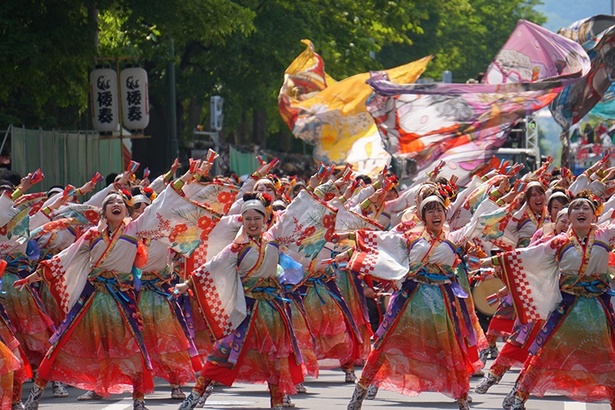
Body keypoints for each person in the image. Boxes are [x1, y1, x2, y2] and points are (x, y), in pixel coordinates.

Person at [19, 164, 214, 410]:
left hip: (122, 298)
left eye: (121, 202)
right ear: (103, 211)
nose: (116, 204)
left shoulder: (135, 229)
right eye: (111, 201)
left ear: (126, 210)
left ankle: (139, 400)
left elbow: (163, 200)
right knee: (61, 343)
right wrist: (34, 277)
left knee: (134, 346)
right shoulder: (91, 235)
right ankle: (35, 396)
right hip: (92, 298)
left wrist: (186, 176)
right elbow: (65, 257)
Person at [176, 189, 334, 410]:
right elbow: (213, 266)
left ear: (265, 219)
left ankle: (277, 402)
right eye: (248, 218)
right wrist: (188, 283)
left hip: (271, 309)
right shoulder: (237, 247)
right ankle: (196, 394)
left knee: (274, 357)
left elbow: (294, 212)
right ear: (242, 220)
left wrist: (316, 193)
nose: (252, 222)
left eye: (257, 218)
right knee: (223, 352)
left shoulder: (274, 239)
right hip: (246, 308)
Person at [342, 189, 487, 410]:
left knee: (452, 349)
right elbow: (379, 244)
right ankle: (360, 391)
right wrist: (349, 245)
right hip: (411, 301)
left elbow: (478, 222)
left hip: (442, 304)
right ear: (422, 215)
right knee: (385, 344)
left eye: (439, 209)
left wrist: (496, 196)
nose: (435, 214)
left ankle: (462, 399)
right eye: (430, 210)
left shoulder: (453, 238)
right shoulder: (410, 239)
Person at [480, 191, 615, 410]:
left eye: (586, 208)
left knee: (609, 356)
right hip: (568, 306)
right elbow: (530, 256)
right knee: (544, 353)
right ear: (568, 217)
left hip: (598, 307)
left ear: (594, 216)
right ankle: (519, 396)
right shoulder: (559, 241)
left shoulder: (605, 235)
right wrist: (494, 261)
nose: (581, 211)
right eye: (576, 208)